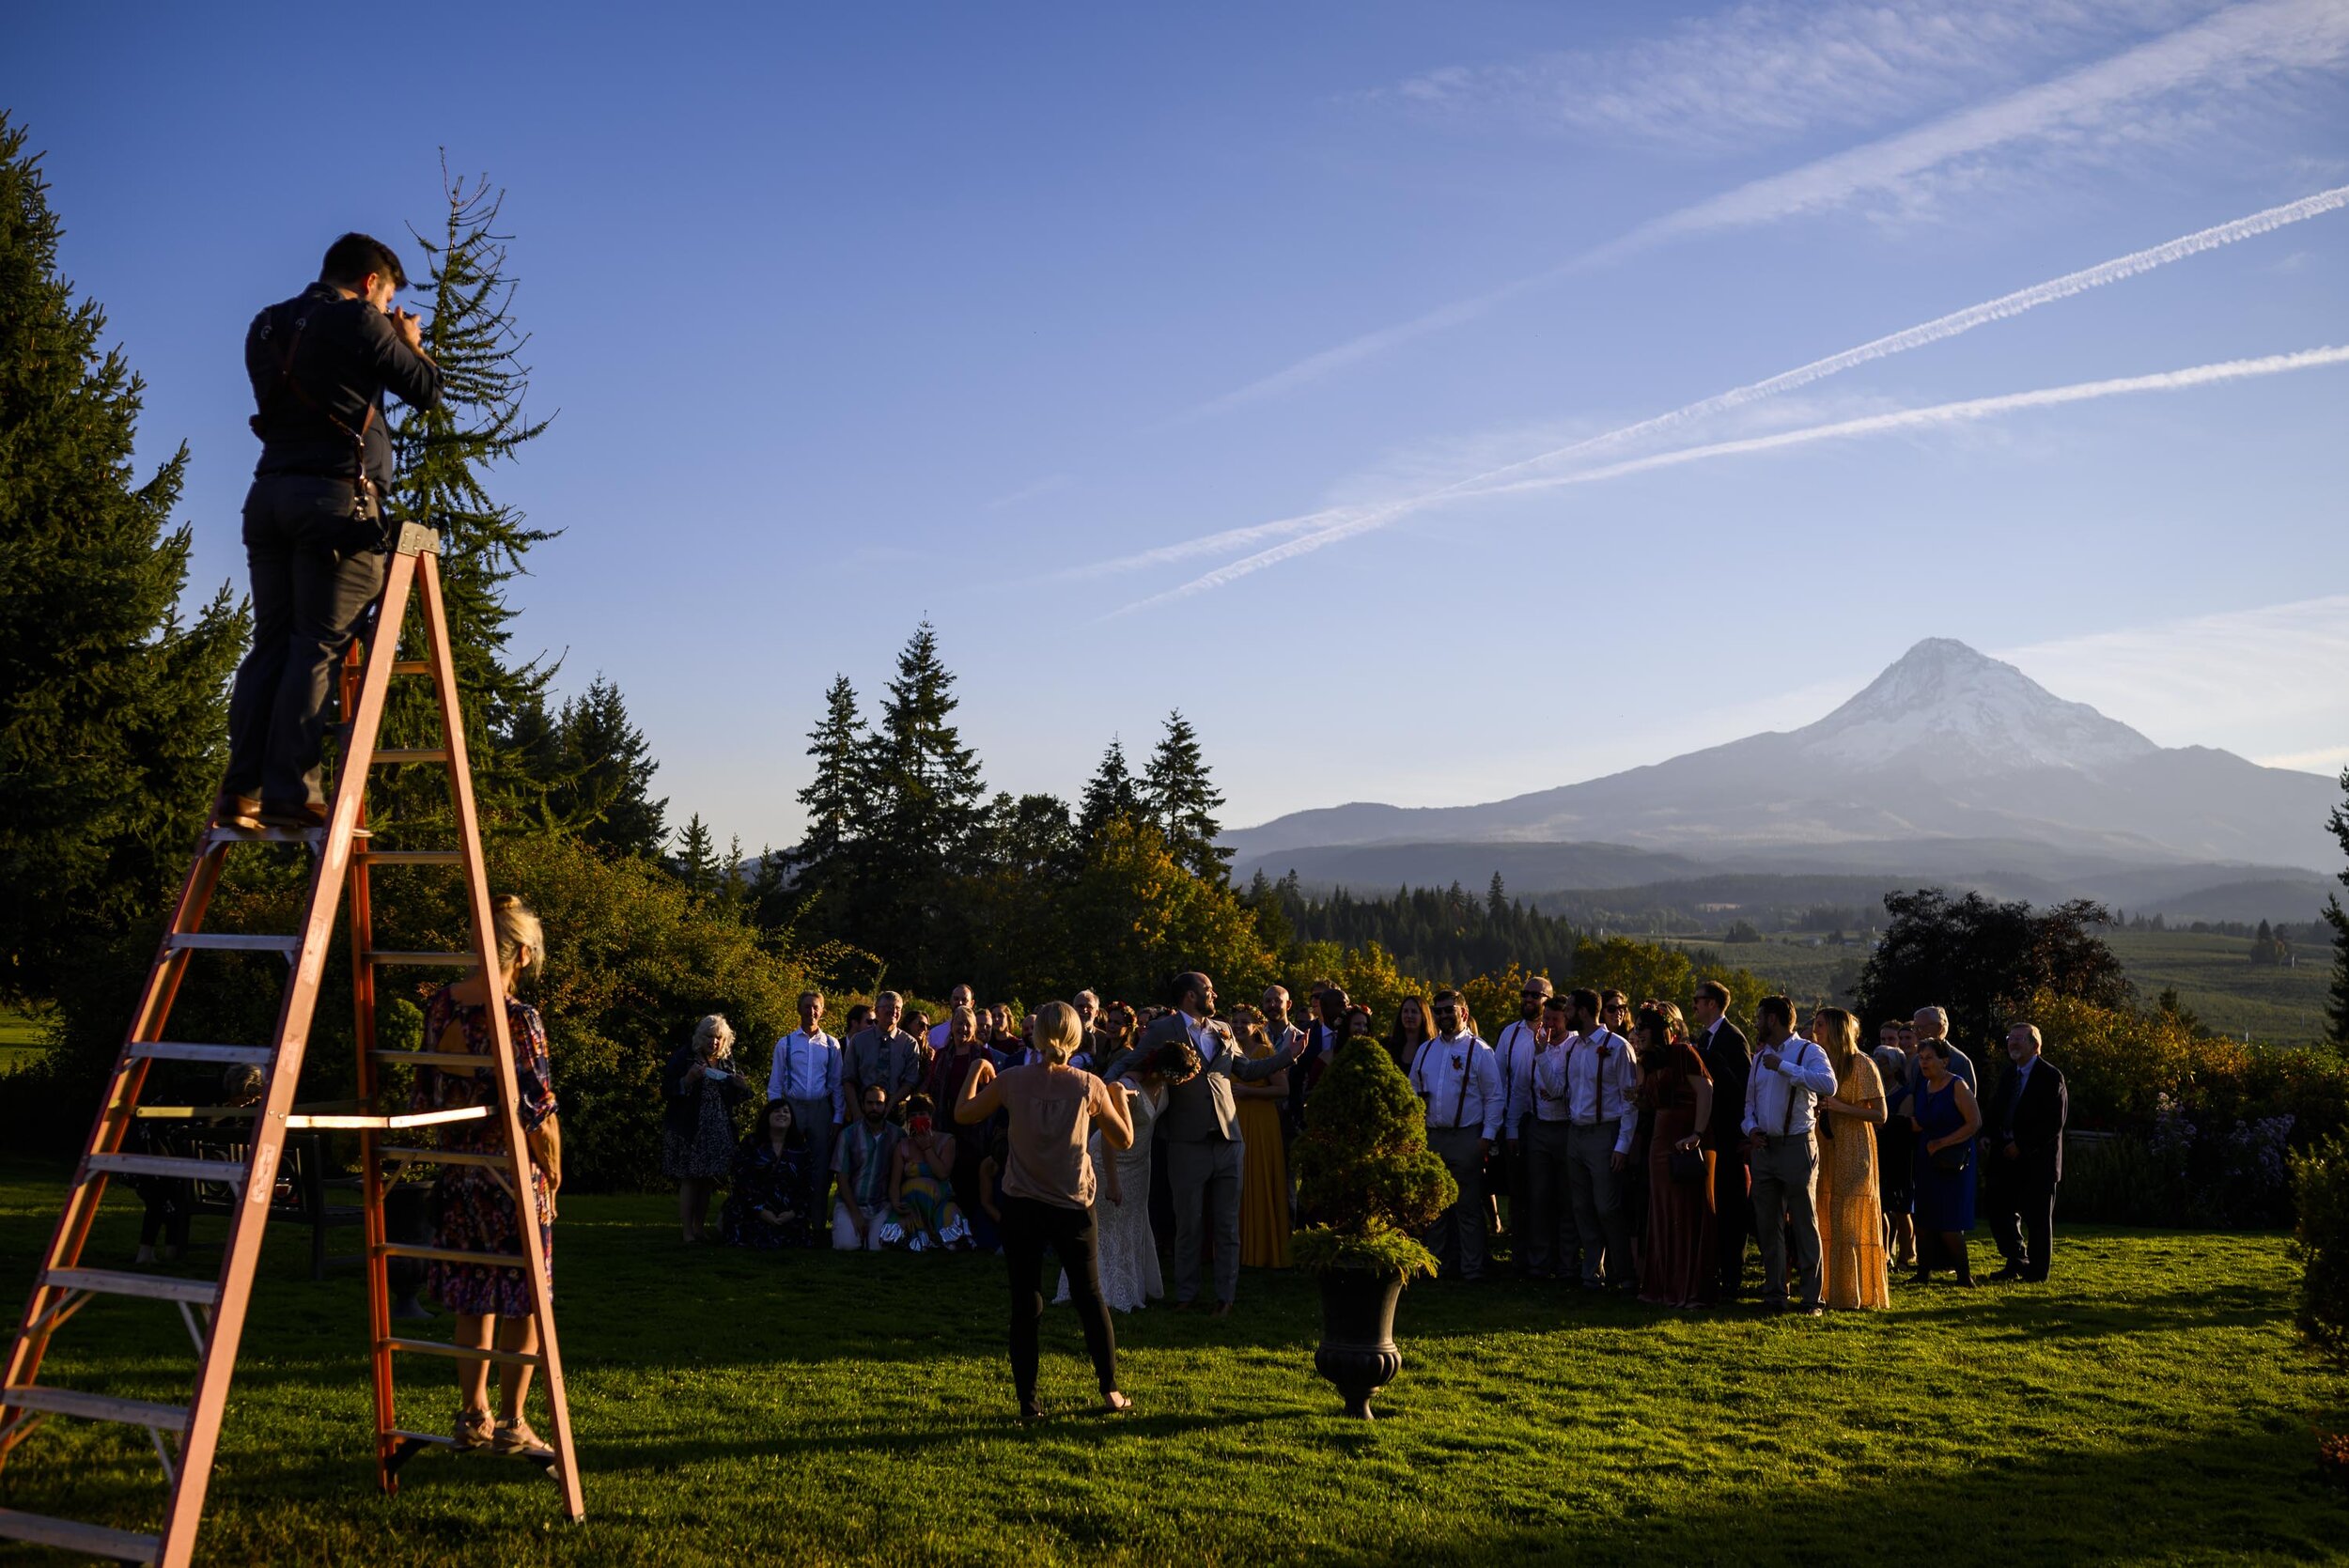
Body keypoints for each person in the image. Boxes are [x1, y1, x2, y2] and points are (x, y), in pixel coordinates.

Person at [219, 234, 443, 832]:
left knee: (272, 643)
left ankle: (240, 789)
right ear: (372, 284)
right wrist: (410, 345)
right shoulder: (359, 321)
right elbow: (425, 391)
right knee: (318, 644)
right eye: (388, 295)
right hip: (337, 502)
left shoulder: (266, 325)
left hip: (268, 496)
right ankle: (293, 792)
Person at [410, 894, 559, 1455]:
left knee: (474, 1297)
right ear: (521, 954)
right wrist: (554, 1172)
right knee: (526, 1299)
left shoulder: (440, 1006)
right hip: (510, 1179)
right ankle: (514, 1422)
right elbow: (537, 1111)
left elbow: (424, 1092)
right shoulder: (518, 1019)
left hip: (458, 1176)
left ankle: (473, 1415)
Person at [956, 1001, 1136, 1421]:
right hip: (1072, 1205)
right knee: (1090, 1298)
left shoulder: (1012, 1081)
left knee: (1026, 1302)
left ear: (1034, 1036)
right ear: (1076, 1037)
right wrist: (1117, 1097)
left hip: (1021, 1205)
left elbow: (963, 1114)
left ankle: (1028, 1403)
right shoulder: (1089, 1084)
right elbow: (1124, 1139)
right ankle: (1110, 1391)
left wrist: (975, 1071)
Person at [1108, 971, 1299, 1315]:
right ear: (1189, 996)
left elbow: (1248, 1070)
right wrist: (1106, 1084)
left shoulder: (1223, 1030)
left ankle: (1226, 1298)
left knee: (1227, 1224)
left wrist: (1289, 1055)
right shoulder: (1165, 1030)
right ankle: (1187, 1295)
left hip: (1229, 1138)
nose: (1214, 994)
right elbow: (1132, 1061)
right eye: (1207, 990)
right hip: (1186, 1140)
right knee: (1189, 1224)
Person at [1060, 1036, 1195, 1312]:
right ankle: (1103, 1290)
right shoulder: (1129, 1088)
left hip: (1140, 1163)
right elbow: (1110, 1137)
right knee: (1108, 1225)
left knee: (1133, 1222)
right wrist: (1112, 1181)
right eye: (1180, 1076)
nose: (1182, 1082)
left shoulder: (1161, 1085)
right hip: (1111, 1160)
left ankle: (1130, 1284)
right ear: (1165, 1070)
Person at [1540, 987, 1641, 1292]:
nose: (1565, 1014)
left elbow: (1630, 1102)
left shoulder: (1618, 1047)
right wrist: (1541, 1054)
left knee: (1607, 1207)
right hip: (1576, 1133)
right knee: (1582, 1207)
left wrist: (1622, 1145)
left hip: (1604, 1133)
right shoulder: (1574, 1048)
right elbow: (1558, 1090)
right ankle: (1592, 1274)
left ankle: (1624, 1274)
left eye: (1569, 1009)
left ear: (1583, 1012)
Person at [1741, 996, 1836, 1315]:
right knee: (1768, 1226)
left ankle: (1812, 1299)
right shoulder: (1758, 1058)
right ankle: (1775, 1294)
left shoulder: (1809, 1051)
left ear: (1773, 1019)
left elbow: (1828, 1084)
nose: (1755, 1022)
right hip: (1764, 1149)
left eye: (1759, 1016)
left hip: (1797, 1144)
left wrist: (1784, 1068)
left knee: (1805, 1223)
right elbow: (1750, 1104)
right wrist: (1750, 1128)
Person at [1408, 991, 1504, 1282]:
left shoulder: (1480, 1051)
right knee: (1434, 1207)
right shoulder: (1426, 1050)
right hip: (1433, 1137)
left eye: (1449, 1010)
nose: (1443, 1016)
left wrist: (1486, 1137)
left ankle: (1472, 1269)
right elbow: (1412, 1091)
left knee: (1468, 1207)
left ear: (1463, 1012)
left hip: (1467, 1137)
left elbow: (1495, 1097)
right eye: (1437, 1012)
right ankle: (1436, 1266)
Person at [1633, 1001, 1715, 1308]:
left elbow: (1706, 1089)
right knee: (1663, 1211)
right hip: (1659, 1138)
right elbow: (1644, 1104)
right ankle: (1663, 1284)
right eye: (1637, 1027)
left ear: (1659, 1030)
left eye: (1642, 1027)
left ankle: (1688, 1286)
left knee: (1686, 1211)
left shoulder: (1683, 1053)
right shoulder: (1648, 1061)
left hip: (1685, 1137)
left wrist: (1697, 1133)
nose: (1638, 1032)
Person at [1811, 1007, 1890, 1311]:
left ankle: (1854, 1294)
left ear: (1835, 1029)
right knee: (1827, 1215)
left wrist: (1840, 1107)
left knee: (1849, 1219)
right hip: (1825, 1143)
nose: (1815, 1030)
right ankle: (1828, 1290)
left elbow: (1881, 1115)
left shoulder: (1863, 1064)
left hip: (1855, 1145)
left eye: (1820, 1025)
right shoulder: (1820, 1063)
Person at [1983, 1023, 2068, 1282]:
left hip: (2036, 1160)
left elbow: (2054, 1122)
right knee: (1999, 1210)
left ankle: (2037, 1273)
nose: (2013, 1043)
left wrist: (2022, 1145)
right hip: (2006, 1158)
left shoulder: (2051, 1077)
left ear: (2035, 1045)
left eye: (2020, 1039)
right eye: (2011, 1038)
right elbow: (1996, 1109)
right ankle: (2016, 1259)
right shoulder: (2010, 1074)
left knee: (2038, 1219)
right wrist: (1987, 1135)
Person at [662, 1015, 749, 1243]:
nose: (714, 1042)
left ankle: (700, 1229)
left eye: (719, 1038)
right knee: (690, 1178)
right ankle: (687, 1231)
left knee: (707, 1179)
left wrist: (741, 1087)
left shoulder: (726, 1061)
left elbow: (736, 1098)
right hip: (690, 1127)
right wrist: (688, 1079)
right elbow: (667, 1089)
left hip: (718, 1127)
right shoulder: (685, 1057)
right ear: (701, 1037)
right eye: (710, 1037)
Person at [1689, 981, 1751, 1299]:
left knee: (1731, 1206)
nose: (1695, 1005)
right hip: (1714, 1133)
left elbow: (1741, 1088)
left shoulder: (1732, 1039)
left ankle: (1732, 1277)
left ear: (1712, 1003)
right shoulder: (1706, 1037)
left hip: (1730, 1135)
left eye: (1698, 1000)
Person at [1909, 1037, 1983, 1286]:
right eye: (1921, 1058)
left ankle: (1964, 1276)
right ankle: (1923, 1273)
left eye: (1929, 1058)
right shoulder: (1924, 1087)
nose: (1924, 1063)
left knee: (1949, 1221)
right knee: (1923, 1218)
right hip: (1926, 1158)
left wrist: (1942, 1143)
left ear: (1945, 1060)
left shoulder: (1957, 1086)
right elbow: (1919, 1122)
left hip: (1953, 1160)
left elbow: (1974, 1123)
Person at [1523, 993, 1586, 1283]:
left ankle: (1567, 1265)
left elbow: (1560, 1088)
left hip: (1565, 1127)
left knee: (1567, 1199)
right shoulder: (1537, 1045)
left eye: (1554, 1019)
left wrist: (1543, 1061)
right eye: (1545, 1019)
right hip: (1539, 1126)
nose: (1547, 1024)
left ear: (1566, 1020)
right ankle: (1538, 1264)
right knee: (1538, 1198)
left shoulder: (1574, 1046)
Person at [1491, 977, 1551, 1279]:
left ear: (1548, 999)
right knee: (1518, 1194)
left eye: (1535, 995)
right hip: (1517, 1122)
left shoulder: (1560, 1034)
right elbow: (1500, 1080)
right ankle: (1519, 1259)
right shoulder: (1509, 1034)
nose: (1528, 999)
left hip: (1549, 1122)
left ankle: (1544, 1260)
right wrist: (1506, 1126)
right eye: (1525, 993)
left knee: (1544, 1194)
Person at [765, 990, 844, 1219]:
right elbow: (775, 1083)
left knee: (820, 1170)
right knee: (789, 1165)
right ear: (799, 1009)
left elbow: (837, 1084)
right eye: (807, 1006)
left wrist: (838, 1116)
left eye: (816, 1007)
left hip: (821, 1109)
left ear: (822, 1011)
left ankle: (817, 1224)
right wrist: (776, 1115)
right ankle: (788, 1220)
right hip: (792, 1108)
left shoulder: (832, 1045)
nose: (812, 1011)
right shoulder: (785, 1043)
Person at [1232, 1012, 1292, 1268]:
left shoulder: (1266, 1053)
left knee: (1258, 1178)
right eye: (1234, 1021)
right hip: (1235, 1121)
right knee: (1238, 1183)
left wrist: (1249, 1091)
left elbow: (1283, 1089)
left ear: (1256, 1026)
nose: (1238, 1026)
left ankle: (1262, 1250)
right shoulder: (1228, 1052)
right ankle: (1239, 1249)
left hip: (1261, 1121)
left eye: (1244, 1022)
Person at [721, 1099, 813, 1249]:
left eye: (786, 1111)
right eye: (776, 1111)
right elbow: (741, 1180)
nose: (781, 1114)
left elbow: (807, 1185)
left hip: (786, 1212)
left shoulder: (800, 1148)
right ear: (767, 1116)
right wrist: (760, 1210)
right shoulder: (751, 1143)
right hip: (753, 1208)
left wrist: (793, 1212)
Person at [884, 1094, 970, 1250]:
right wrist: (896, 1203)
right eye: (914, 1115)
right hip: (911, 1207)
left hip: (939, 1205)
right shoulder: (902, 1146)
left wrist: (927, 1148)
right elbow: (894, 1182)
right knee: (890, 1239)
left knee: (953, 1241)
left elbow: (943, 1173)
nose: (918, 1118)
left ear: (931, 1116)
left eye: (922, 1114)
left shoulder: (946, 1141)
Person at [832, 1085, 900, 1251]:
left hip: (880, 1205)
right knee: (845, 1245)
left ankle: (870, 1237)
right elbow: (841, 1178)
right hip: (851, 1204)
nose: (874, 1108)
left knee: (878, 1247)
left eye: (879, 1103)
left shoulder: (897, 1135)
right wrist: (855, 1214)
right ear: (862, 1105)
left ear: (885, 1105)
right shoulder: (848, 1135)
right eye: (870, 1103)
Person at [1874, 1018, 1919, 1269]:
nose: (1879, 1065)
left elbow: (1902, 1123)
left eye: (1882, 1061)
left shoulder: (1905, 1093)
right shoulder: (1876, 1092)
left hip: (1900, 1154)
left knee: (1902, 1208)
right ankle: (1884, 1253)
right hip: (1879, 1152)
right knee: (1880, 1205)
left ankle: (1907, 1253)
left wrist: (1883, 1123)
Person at [845, 991, 927, 1122]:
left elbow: (910, 1081)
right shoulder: (859, 1041)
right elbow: (848, 1079)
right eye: (888, 1007)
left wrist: (891, 1102)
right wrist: (856, 1112)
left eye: (897, 1008)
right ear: (877, 1012)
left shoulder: (909, 1044)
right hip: (864, 1110)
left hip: (896, 1112)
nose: (893, 1011)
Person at [1912, 1006, 1977, 1091]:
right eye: (1914, 1028)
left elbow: (1968, 1101)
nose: (1916, 1033)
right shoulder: (1916, 1061)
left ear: (1939, 1028)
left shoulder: (1959, 1061)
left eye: (1921, 1028)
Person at [1385, 994, 1438, 1077]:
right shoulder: (1387, 1045)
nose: (1409, 1016)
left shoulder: (1433, 1049)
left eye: (1414, 1012)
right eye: (1405, 1011)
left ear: (1423, 1016)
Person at [929, 985, 977, 1050]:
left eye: (964, 1000)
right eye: (956, 999)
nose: (960, 1002)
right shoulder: (935, 1033)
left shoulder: (979, 1032)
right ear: (951, 1000)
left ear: (972, 1003)